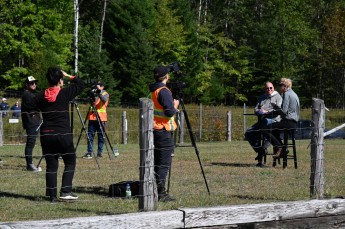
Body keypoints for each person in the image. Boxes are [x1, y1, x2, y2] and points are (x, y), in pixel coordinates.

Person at [34, 67, 84, 203]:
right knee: (70, 161)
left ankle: (52, 196)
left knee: (51, 165)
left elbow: (32, 105)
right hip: (63, 133)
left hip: (46, 133)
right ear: (60, 80)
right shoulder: (65, 93)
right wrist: (69, 75)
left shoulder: (40, 95)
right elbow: (81, 84)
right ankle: (66, 191)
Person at [149, 65, 179, 202]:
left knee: (156, 162)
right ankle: (160, 193)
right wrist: (175, 107)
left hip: (156, 130)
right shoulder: (164, 91)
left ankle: (153, 189)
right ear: (166, 76)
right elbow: (169, 111)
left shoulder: (154, 90)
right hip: (164, 130)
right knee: (163, 163)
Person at [245, 82, 282, 167]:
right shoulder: (262, 97)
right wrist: (260, 111)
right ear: (264, 89)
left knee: (263, 129)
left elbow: (278, 110)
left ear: (273, 88)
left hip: (273, 120)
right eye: (267, 88)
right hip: (262, 120)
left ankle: (264, 148)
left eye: (271, 88)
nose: (269, 90)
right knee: (248, 133)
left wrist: (267, 111)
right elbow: (256, 109)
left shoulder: (278, 97)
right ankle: (260, 150)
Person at [262, 78, 300, 159]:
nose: (278, 87)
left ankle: (281, 148)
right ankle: (282, 148)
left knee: (265, 129)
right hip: (293, 122)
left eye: (280, 85)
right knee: (274, 132)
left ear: (285, 86)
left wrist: (271, 111)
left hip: (288, 121)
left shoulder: (286, 94)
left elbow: (283, 111)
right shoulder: (294, 93)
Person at [83, 81, 109, 159]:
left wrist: (99, 92)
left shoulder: (105, 94)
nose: (96, 88)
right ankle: (89, 152)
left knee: (101, 136)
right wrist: (91, 94)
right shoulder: (93, 93)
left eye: (98, 86)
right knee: (90, 136)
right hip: (92, 117)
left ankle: (99, 153)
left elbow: (104, 100)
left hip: (101, 118)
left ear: (102, 87)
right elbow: (89, 101)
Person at [21, 76, 42, 172]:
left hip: (35, 121)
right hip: (31, 122)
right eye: (31, 83)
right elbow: (34, 105)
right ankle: (30, 165)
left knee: (32, 142)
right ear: (27, 84)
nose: (34, 84)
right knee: (30, 143)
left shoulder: (31, 94)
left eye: (35, 83)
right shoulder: (27, 94)